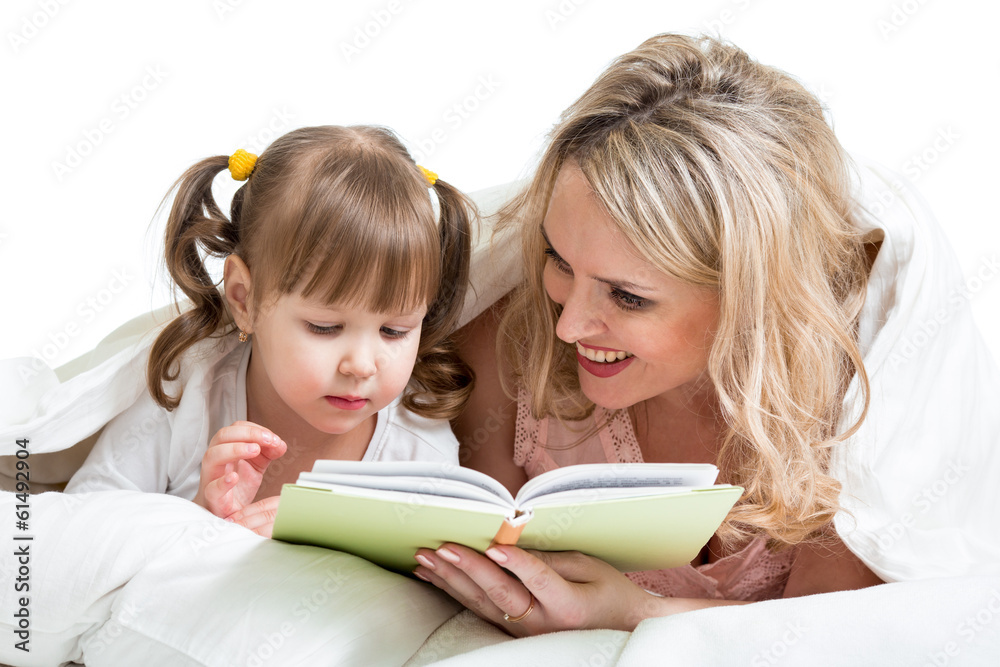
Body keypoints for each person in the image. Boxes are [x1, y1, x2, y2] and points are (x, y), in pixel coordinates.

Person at [412, 32, 1000, 635]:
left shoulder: (858, 395)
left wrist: (635, 613)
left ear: (752, 299)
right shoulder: (515, 339)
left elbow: (832, 634)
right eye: (559, 260)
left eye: (628, 296)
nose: (568, 325)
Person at [66, 125, 476, 534]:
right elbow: (76, 527)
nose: (362, 365)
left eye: (395, 331)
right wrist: (199, 516)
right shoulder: (186, 391)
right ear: (244, 300)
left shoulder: (419, 448)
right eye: (325, 327)